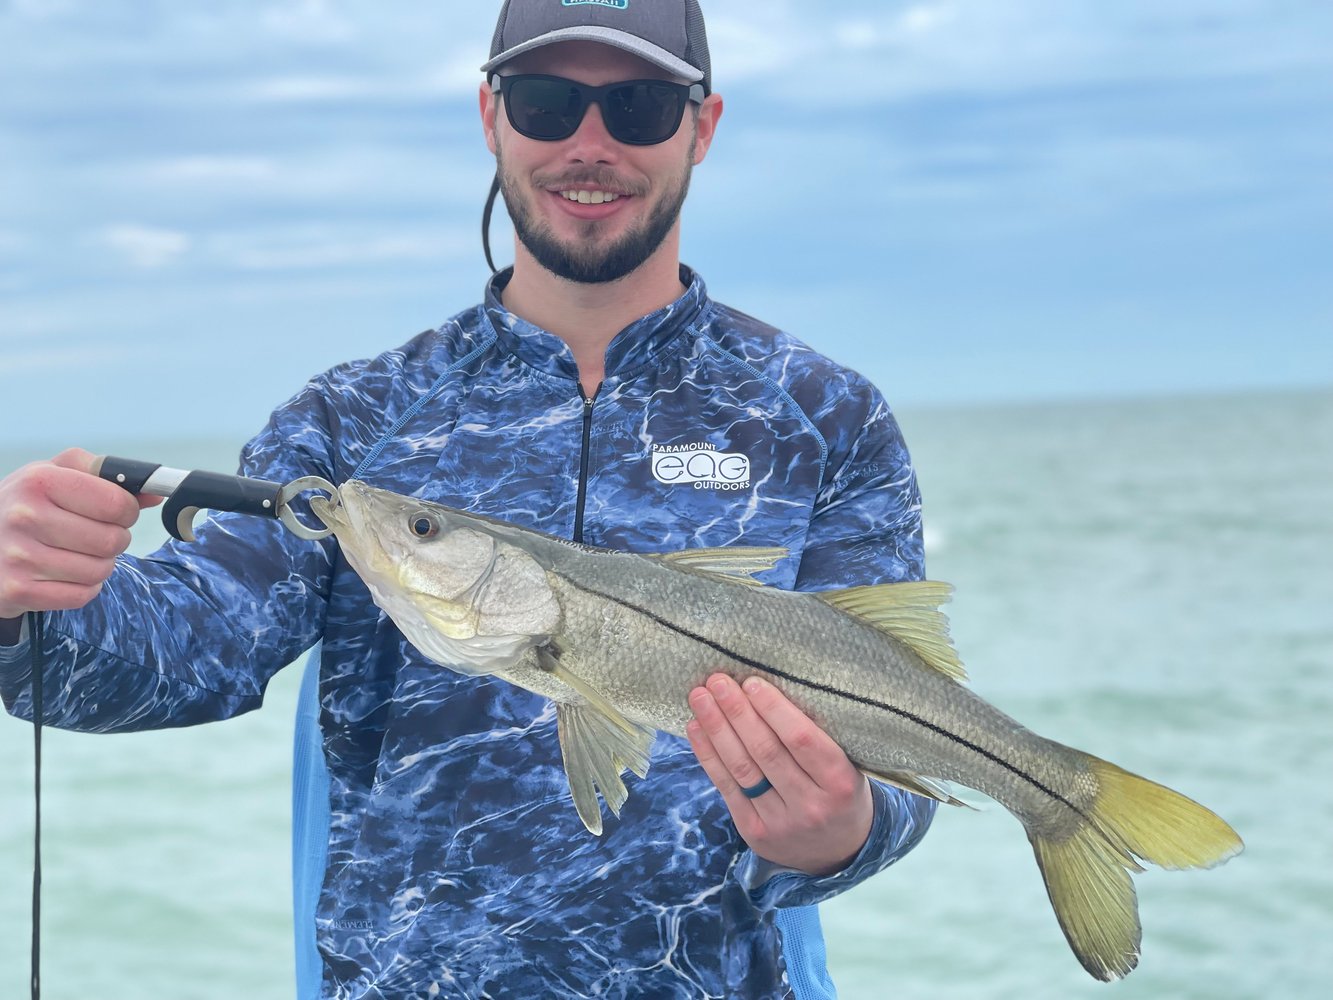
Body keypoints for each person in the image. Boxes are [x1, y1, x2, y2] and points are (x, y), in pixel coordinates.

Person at [0, 1, 936, 997]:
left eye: (638, 106)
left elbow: (905, 741)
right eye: (545, 103)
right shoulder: (355, 419)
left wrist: (844, 832)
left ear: (701, 128)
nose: (588, 144)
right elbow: (188, 649)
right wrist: (26, 599)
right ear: (491, 117)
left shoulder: (823, 417)